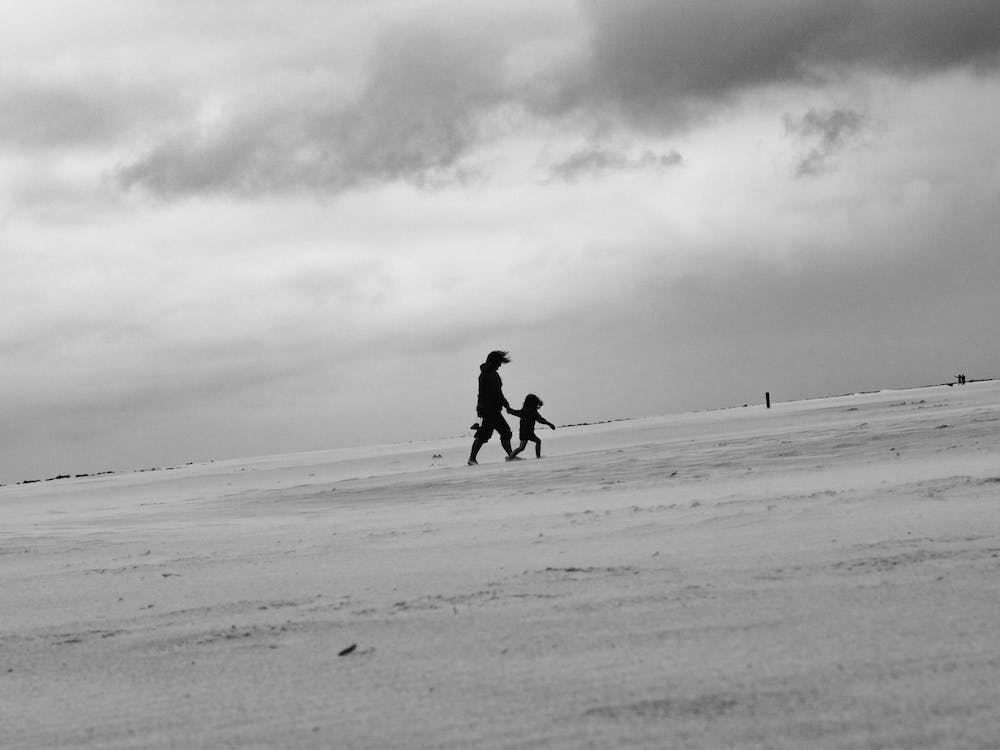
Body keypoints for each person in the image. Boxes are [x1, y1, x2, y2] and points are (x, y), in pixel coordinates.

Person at [468, 350, 514, 465]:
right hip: (489, 409)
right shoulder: (488, 374)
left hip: (490, 408)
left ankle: (472, 458)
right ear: (494, 361)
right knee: (503, 432)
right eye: (499, 363)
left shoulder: (491, 373)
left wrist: (505, 403)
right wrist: (505, 404)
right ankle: (510, 456)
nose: (500, 365)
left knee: (486, 434)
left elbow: (497, 392)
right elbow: (493, 393)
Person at [506, 393, 555, 460]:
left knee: (525, 446)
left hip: (527, 431)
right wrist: (549, 424)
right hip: (526, 432)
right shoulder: (532, 411)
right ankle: (510, 458)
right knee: (522, 447)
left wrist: (510, 411)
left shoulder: (526, 410)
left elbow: (516, 412)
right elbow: (541, 420)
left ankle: (510, 457)